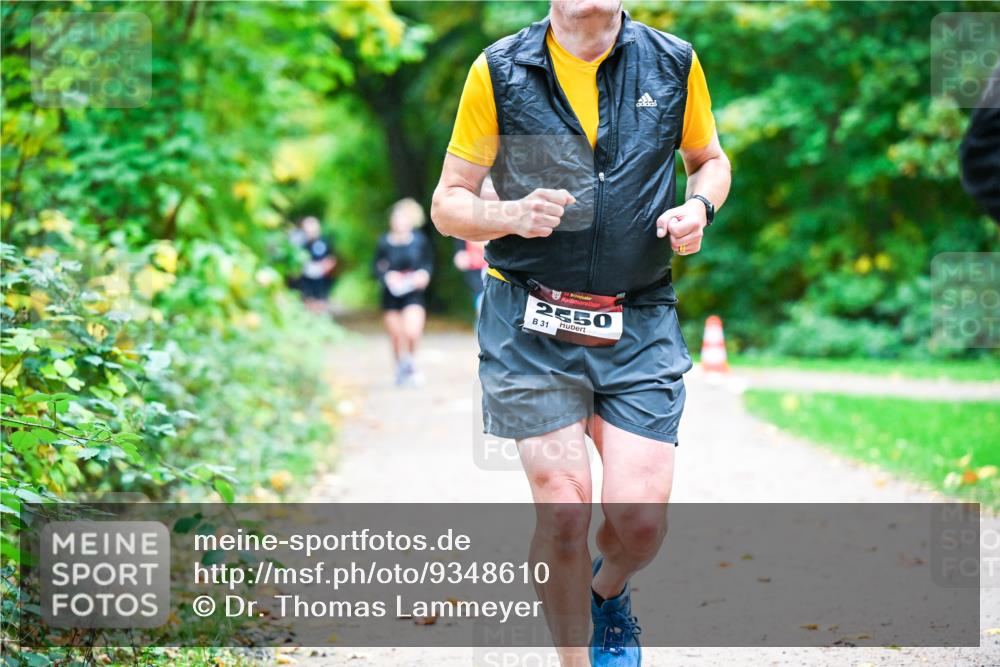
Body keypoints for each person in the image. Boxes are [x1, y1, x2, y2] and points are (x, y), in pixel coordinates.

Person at [431, 1, 731, 665]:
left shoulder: (673, 61)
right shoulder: (500, 71)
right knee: (564, 511)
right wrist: (508, 213)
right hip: (529, 323)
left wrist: (698, 205)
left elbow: (709, 159)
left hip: (638, 317)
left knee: (641, 522)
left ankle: (609, 590)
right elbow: (449, 202)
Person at [373, 198, 433, 386]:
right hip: (391, 295)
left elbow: (428, 264)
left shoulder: (419, 241)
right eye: (396, 219)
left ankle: (411, 363)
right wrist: (387, 277)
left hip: (412, 293)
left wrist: (423, 275)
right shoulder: (384, 242)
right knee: (396, 335)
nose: (398, 222)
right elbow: (376, 267)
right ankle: (400, 366)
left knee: (412, 332)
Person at [292, 215, 337, 314]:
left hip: (321, 278)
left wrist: (326, 267)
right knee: (307, 301)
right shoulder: (300, 244)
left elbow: (332, 258)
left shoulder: (324, 242)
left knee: (320, 302)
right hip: (305, 278)